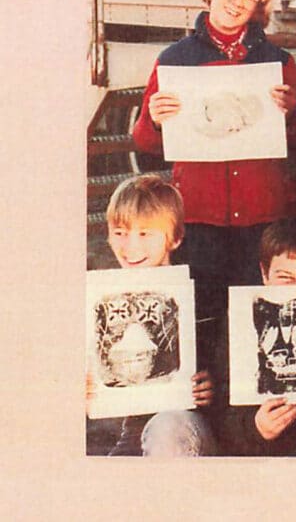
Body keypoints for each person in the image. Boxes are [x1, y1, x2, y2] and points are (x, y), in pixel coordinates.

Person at [131, 0, 296, 376]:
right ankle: (204, 408)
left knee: (259, 323)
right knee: (202, 320)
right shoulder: (174, 58)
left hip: (262, 218)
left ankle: (250, 413)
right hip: (199, 217)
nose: (237, 0)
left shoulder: (278, 61)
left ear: (259, 7)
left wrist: (293, 112)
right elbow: (144, 142)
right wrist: (155, 116)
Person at [90, 174, 217, 456]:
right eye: (120, 233)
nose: (131, 247)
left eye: (145, 234)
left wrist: (214, 385)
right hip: (135, 430)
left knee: (167, 429)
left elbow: (235, 372)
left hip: (190, 427)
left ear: (175, 238)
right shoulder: (102, 299)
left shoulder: (204, 293)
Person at [218, 214, 296, 457]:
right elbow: (222, 413)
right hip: (262, 455)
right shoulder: (240, 322)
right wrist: (255, 427)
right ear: (264, 275)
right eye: (286, 279)